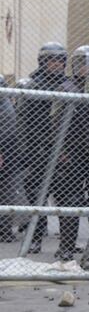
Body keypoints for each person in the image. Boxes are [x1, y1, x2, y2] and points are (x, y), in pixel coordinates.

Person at [18, 42, 69, 254]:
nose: (56, 64)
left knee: (65, 197)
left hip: (63, 151)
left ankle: (66, 244)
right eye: (51, 60)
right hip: (39, 149)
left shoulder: (68, 85)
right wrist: (27, 153)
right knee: (36, 196)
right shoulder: (33, 86)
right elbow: (24, 122)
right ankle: (35, 238)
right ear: (43, 61)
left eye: (59, 60)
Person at [50, 45, 89, 261]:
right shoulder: (66, 88)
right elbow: (55, 122)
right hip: (71, 152)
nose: (85, 67)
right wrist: (60, 149)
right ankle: (67, 246)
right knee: (70, 198)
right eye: (81, 63)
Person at [0, 75, 19, 242]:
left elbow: (6, 130)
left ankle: (4, 229)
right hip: (8, 149)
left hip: (6, 150)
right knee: (7, 188)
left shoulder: (4, 105)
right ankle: (5, 229)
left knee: (6, 188)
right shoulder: (6, 103)